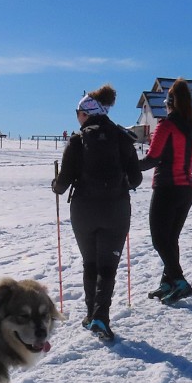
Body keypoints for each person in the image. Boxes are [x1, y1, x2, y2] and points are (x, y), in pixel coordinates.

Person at [52, 85, 141, 341]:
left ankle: (91, 314)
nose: (77, 116)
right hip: (116, 210)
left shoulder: (78, 141)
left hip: (84, 211)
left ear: (87, 113)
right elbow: (136, 178)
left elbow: (62, 185)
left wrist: (54, 183)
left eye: (78, 111)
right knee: (108, 266)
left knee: (90, 262)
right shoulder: (122, 138)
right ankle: (101, 316)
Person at [139, 78, 192, 303]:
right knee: (171, 239)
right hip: (186, 191)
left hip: (166, 189)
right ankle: (167, 283)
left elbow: (152, 159)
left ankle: (179, 281)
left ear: (169, 104)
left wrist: (128, 166)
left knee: (160, 240)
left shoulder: (166, 126)